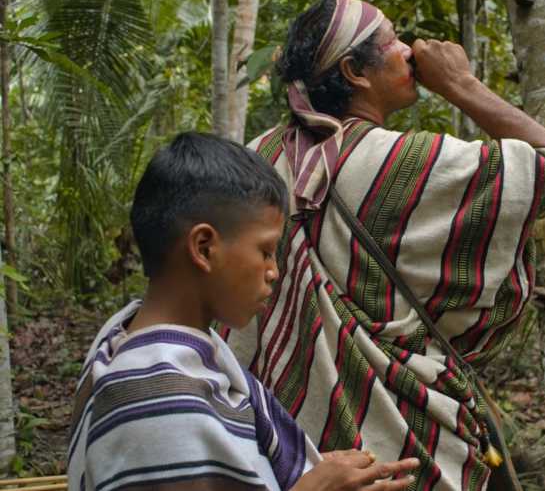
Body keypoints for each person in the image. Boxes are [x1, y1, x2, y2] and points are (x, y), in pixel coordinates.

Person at [224, 0, 545, 490]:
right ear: (354, 70)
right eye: (393, 39)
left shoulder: (253, 159)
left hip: (285, 446)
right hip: (409, 445)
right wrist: (461, 84)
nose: (411, 50)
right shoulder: (405, 160)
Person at [67, 132, 419, 491]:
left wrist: (296, 470)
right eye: (265, 251)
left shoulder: (130, 337)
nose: (274, 271)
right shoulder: (155, 398)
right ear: (204, 248)